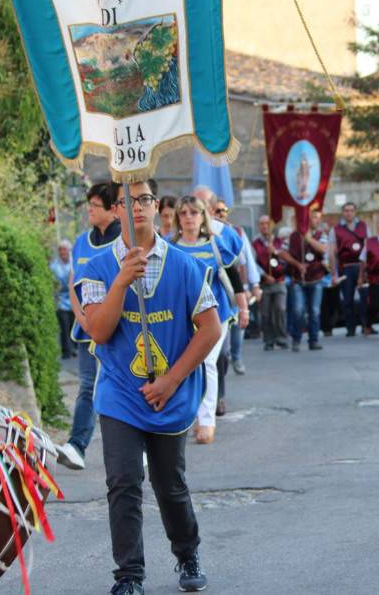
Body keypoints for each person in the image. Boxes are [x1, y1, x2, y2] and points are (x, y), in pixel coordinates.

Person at [76, 180, 221, 594]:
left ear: (158, 207)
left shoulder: (186, 265)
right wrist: (121, 282)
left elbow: (209, 329)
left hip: (170, 394)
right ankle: (129, 576)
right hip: (120, 394)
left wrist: (172, 380)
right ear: (116, 209)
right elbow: (100, 333)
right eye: (127, 200)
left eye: (143, 199)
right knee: (123, 481)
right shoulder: (97, 268)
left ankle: (187, 550)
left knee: (169, 485)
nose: (136, 206)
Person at [170, 195, 247, 443]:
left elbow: (234, 278)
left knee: (207, 363)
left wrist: (243, 308)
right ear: (177, 219)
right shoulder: (170, 247)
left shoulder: (215, 245)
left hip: (216, 315)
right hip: (184, 317)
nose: (189, 218)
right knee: (187, 365)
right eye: (184, 213)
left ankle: (207, 422)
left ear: (203, 216)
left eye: (194, 212)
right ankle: (190, 416)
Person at [56, 182, 122, 470]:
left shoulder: (125, 241)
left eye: (95, 206)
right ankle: (76, 445)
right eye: (89, 205)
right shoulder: (82, 241)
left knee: (124, 386)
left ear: (112, 211)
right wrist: (83, 317)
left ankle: (141, 445)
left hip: (120, 329)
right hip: (86, 327)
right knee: (87, 385)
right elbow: (73, 282)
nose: (89, 210)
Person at [213, 199, 260, 375]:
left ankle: (237, 356)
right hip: (218, 289)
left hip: (236, 287)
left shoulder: (235, 231)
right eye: (217, 211)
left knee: (238, 324)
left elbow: (246, 259)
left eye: (224, 210)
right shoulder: (206, 233)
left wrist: (253, 284)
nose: (221, 214)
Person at [280, 207, 328, 351]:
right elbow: (282, 253)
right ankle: (296, 339)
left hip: (316, 278)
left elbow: (324, 249)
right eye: (313, 217)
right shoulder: (292, 235)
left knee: (314, 311)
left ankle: (313, 340)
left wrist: (309, 239)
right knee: (298, 310)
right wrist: (297, 264)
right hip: (298, 279)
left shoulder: (321, 234)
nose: (316, 220)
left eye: (318, 218)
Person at [328, 202, 368, 337]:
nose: (349, 213)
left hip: (362, 265)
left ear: (355, 211)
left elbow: (369, 246)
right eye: (346, 210)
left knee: (365, 297)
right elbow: (332, 252)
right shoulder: (336, 229)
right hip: (346, 268)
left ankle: (366, 326)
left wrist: (368, 267)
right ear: (343, 213)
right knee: (347, 300)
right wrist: (334, 273)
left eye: (351, 210)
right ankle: (350, 328)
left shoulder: (363, 226)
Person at [253, 215, 289, 350]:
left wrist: (276, 252)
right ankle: (269, 340)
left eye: (267, 223)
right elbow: (253, 263)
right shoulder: (255, 243)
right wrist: (263, 275)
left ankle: (282, 338)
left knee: (280, 309)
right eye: (262, 224)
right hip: (264, 284)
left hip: (279, 282)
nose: (264, 226)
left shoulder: (280, 242)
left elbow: (286, 260)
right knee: (265, 313)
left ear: (272, 225)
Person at [50, 239, 76, 359]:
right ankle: (66, 351)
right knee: (64, 327)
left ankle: (73, 348)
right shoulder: (54, 266)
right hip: (61, 301)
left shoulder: (74, 264)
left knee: (73, 325)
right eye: (60, 249)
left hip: (74, 300)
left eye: (64, 249)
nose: (62, 252)